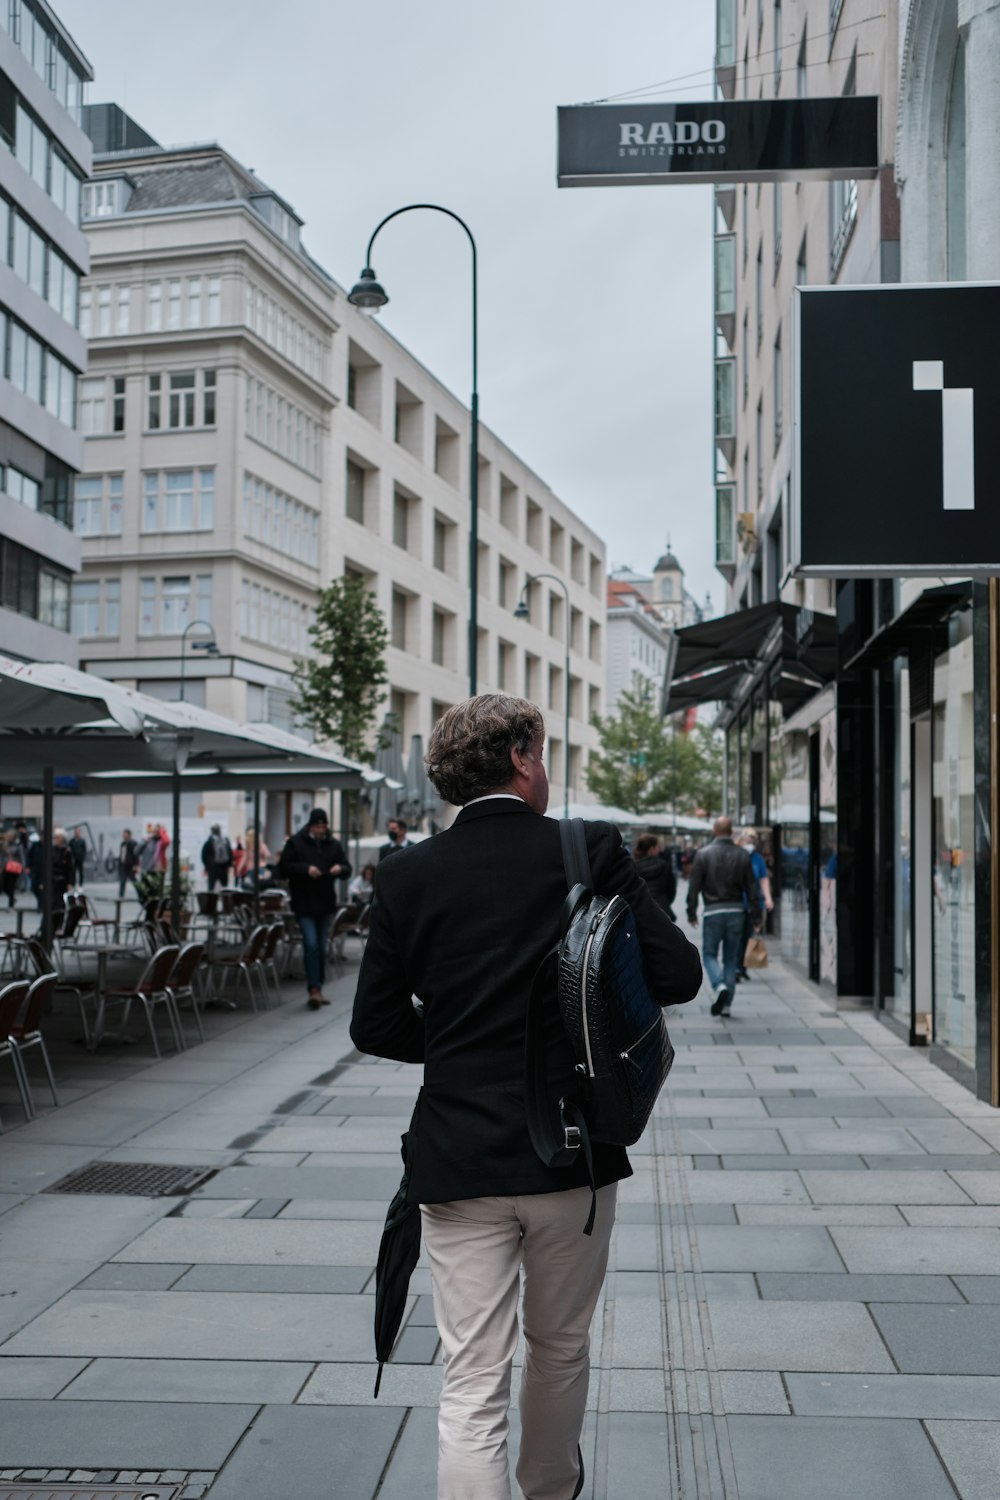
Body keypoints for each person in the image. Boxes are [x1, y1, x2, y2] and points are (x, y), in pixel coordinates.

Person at [351, 694, 701, 1500]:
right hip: (572, 1155)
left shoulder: (405, 874)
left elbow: (374, 1025)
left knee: (471, 1378)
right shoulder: (585, 849)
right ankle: (551, 1489)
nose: (545, 769)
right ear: (519, 758)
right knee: (560, 1348)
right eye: (541, 753)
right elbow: (679, 974)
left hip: (457, 1157)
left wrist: (453, 1047)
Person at [277, 808, 352, 1009]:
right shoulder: (296, 843)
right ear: (311, 826)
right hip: (304, 903)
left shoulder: (333, 845)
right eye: (318, 826)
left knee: (321, 947)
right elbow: (283, 868)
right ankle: (314, 989)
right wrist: (305, 869)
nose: (321, 830)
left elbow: (347, 868)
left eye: (324, 826)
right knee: (310, 945)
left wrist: (340, 869)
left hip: (325, 903)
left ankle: (318, 985)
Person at [686, 815, 757, 1018]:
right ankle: (727, 1005)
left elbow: (694, 886)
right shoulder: (743, 854)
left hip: (713, 910)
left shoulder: (702, 854)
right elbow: (751, 888)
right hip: (736, 911)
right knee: (731, 958)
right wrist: (756, 916)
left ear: (714, 831)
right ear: (731, 831)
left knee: (709, 954)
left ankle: (719, 985)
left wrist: (691, 911)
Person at [735, 828, 772, 982]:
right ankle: (736, 968)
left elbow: (763, 879)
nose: (750, 843)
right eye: (748, 839)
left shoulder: (757, 859)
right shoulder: (736, 855)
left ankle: (742, 968)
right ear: (742, 840)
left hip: (753, 904)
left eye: (753, 840)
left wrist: (768, 898)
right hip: (736, 902)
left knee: (747, 937)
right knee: (736, 937)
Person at [632, 833, 677, 917]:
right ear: (651, 849)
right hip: (662, 908)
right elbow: (671, 889)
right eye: (657, 847)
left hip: (640, 911)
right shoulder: (663, 865)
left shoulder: (633, 867)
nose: (659, 850)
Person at [201, 824, 233, 891]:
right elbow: (230, 853)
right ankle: (226, 900)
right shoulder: (225, 840)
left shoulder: (209, 841)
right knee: (225, 888)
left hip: (213, 868)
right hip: (223, 868)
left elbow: (204, 855)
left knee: (211, 888)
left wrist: (207, 866)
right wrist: (228, 865)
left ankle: (211, 901)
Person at [1, 827, 27, 909]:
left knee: (11, 885)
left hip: (14, 868)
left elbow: (22, 857)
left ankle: (11, 903)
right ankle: (12, 899)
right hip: (6, 866)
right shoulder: (5, 844)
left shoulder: (18, 845)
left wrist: (23, 866)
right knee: (3, 884)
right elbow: (2, 856)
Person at [116, 828, 140, 898]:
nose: (124, 836)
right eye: (123, 834)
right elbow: (121, 854)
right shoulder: (123, 844)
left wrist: (135, 865)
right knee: (122, 881)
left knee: (134, 881)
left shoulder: (133, 843)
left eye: (125, 834)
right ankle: (121, 895)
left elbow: (136, 854)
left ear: (129, 835)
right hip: (123, 866)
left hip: (130, 866)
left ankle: (140, 894)